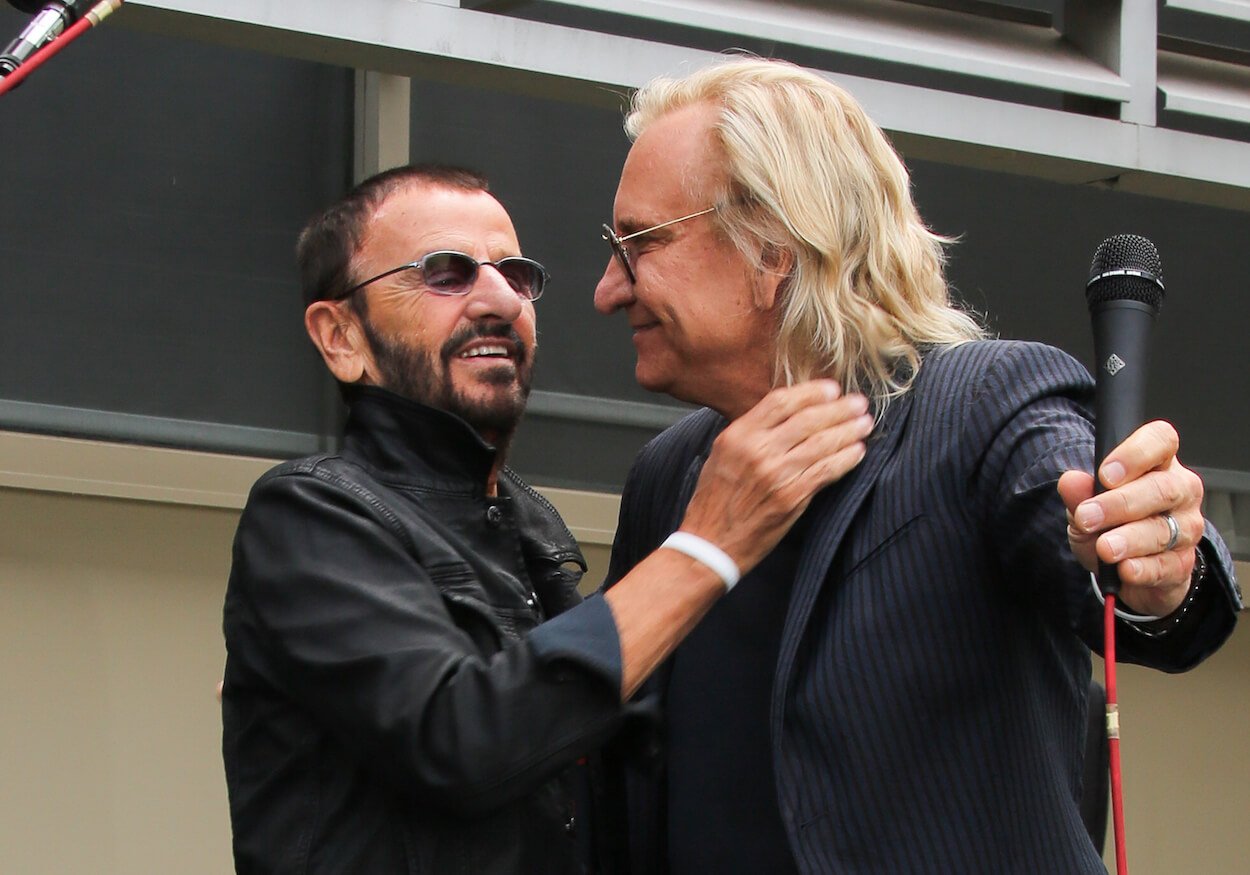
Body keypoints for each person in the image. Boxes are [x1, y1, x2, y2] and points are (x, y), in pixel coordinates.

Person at [592, 57, 1242, 874]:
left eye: (641, 244)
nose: (608, 290)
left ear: (772, 248)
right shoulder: (665, 474)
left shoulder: (982, 404)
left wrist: (1162, 562)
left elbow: (1105, 539)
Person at [220, 163, 875, 874]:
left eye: (517, 273)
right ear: (340, 336)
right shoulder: (308, 511)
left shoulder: (531, 525)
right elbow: (463, 740)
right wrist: (707, 544)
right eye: (446, 272)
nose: (498, 298)